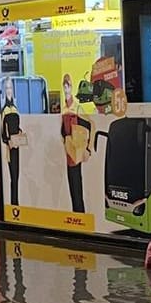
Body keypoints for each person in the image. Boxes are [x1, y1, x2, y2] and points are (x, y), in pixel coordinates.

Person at [58, 74, 92, 213]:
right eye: (64, 86)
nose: (66, 89)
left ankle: (80, 212)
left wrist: (88, 147)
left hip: (76, 150)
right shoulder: (64, 108)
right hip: (68, 151)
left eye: (68, 86)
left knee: (77, 183)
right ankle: (76, 211)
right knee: (72, 183)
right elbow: (62, 130)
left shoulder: (77, 108)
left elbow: (89, 125)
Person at [0, 77, 24, 206]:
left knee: (16, 176)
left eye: (11, 88)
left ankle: (16, 202)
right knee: (12, 176)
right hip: (9, 148)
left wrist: (20, 132)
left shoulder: (15, 109)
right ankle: (12, 204)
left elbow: (16, 126)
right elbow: (3, 132)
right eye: (7, 88)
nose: (9, 91)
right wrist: (8, 141)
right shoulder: (3, 111)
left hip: (17, 146)